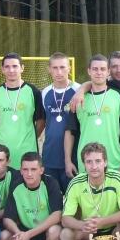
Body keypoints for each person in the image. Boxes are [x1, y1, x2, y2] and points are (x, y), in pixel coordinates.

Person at [60, 142, 120, 240]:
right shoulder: (76, 183)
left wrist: (102, 221)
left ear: (105, 162)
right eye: (89, 162)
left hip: (113, 229)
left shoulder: (117, 178)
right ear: (84, 164)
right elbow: (65, 219)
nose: (94, 166)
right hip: (89, 231)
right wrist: (83, 225)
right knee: (65, 235)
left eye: (98, 161)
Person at [64, 54, 120, 176]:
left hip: (114, 162)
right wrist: (68, 161)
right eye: (95, 69)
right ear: (89, 71)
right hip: (86, 162)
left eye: (102, 69)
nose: (99, 72)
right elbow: (70, 131)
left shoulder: (119, 96)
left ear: (108, 72)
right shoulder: (78, 98)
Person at [0, 152, 63, 240]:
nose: (29, 174)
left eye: (33, 169)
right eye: (25, 169)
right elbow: (8, 217)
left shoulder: (50, 183)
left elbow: (57, 215)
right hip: (26, 231)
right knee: (3, 237)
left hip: (46, 231)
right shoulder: (16, 185)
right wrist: (18, 233)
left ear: (41, 170)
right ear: (21, 171)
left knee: (55, 232)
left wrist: (29, 234)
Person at [0, 53, 45, 169]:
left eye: (15, 66)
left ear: (22, 68)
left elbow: (41, 120)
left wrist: (31, 137)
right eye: (7, 67)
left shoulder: (33, 91)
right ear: (2, 69)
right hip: (2, 153)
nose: (11, 70)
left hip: (27, 150)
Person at [41, 52, 80, 191]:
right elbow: (43, 121)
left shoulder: (78, 90)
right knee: (53, 200)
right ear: (49, 69)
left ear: (69, 68)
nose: (59, 72)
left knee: (73, 200)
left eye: (63, 67)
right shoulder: (45, 92)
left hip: (73, 157)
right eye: (55, 68)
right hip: (50, 155)